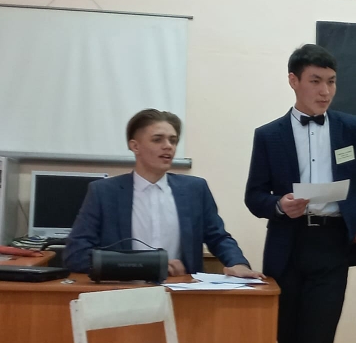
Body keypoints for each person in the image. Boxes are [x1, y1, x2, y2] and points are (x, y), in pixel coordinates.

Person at [245, 44, 356, 343]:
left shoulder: (352, 128)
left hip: (332, 243)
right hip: (287, 244)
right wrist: (279, 205)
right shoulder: (269, 135)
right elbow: (255, 196)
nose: (325, 91)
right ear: (293, 81)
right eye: (315, 81)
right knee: (286, 338)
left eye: (331, 81)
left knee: (318, 339)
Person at [64, 109, 264, 279]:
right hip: (122, 292)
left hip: (181, 291)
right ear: (135, 146)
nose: (168, 146)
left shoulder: (194, 189)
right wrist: (146, 266)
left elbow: (218, 237)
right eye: (157, 139)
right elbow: (76, 254)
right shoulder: (104, 192)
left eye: (173, 140)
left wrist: (238, 264)